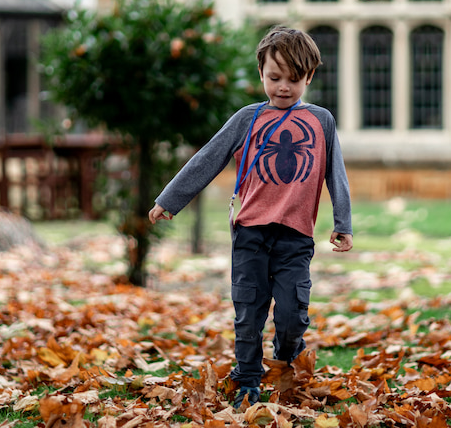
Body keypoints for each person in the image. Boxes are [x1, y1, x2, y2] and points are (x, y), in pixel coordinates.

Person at [148, 25, 353, 409]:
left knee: (293, 314)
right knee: (248, 312)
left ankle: (288, 355)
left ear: (309, 77)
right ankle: (247, 377)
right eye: (275, 78)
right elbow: (209, 157)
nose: (283, 88)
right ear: (261, 73)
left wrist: (343, 223)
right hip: (251, 234)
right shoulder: (247, 118)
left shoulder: (322, 121)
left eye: (295, 79)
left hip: (295, 237)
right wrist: (170, 199)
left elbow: (334, 173)